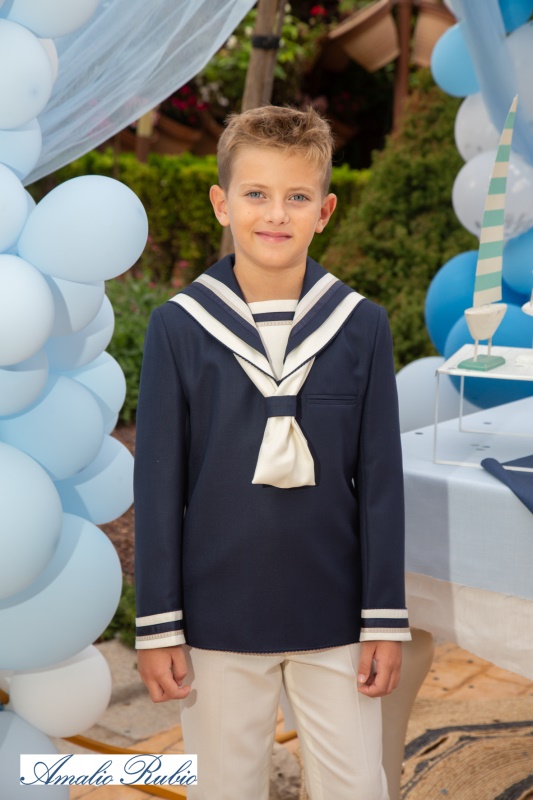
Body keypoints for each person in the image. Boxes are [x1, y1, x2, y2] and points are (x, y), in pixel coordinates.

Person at [134, 104, 411, 800]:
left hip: (336, 615)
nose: (276, 214)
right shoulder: (178, 328)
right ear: (221, 203)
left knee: (357, 787)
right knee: (224, 788)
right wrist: (159, 627)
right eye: (256, 194)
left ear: (325, 211)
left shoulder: (361, 326)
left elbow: (381, 483)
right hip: (215, 617)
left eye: (298, 197)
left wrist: (383, 618)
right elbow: (159, 488)